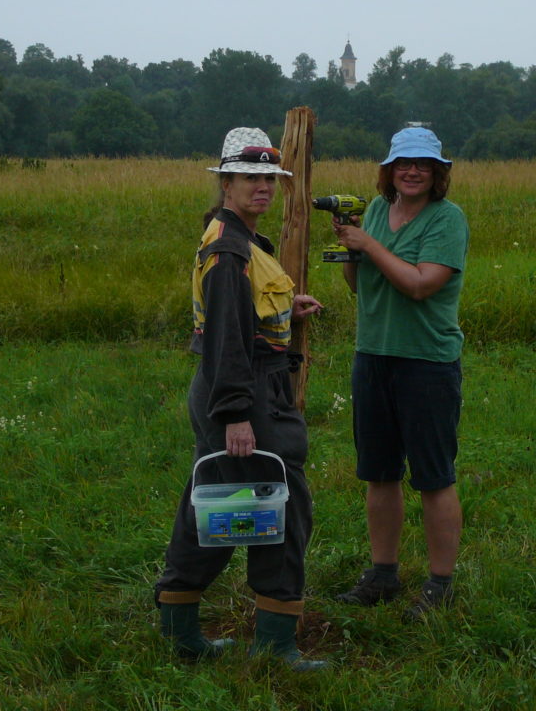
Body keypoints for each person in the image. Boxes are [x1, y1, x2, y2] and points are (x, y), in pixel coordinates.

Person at [154, 127, 326, 671]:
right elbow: (225, 338)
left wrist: (282, 312)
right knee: (276, 506)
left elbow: (241, 317)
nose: (263, 188)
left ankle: (179, 626)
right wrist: (235, 416)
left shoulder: (241, 239)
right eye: (250, 177)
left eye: (269, 178)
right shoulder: (230, 249)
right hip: (245, 393)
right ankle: (274, 647)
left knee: (217, 501)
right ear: (226, 182)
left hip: (245, 387)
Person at [329, 127, 469, 620]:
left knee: (433, 476)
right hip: (373, 355)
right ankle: (383, 575)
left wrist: (368, 244)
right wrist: (352, 250)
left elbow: (419, 284)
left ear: (437, 174)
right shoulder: (372, 210)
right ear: (389, 170)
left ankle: (440, 584)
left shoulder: (447, 219)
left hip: (426, 362)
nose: (412, 171)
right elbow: (357, 283)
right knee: (378, 473)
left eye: (423, 165)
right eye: (403, 163)